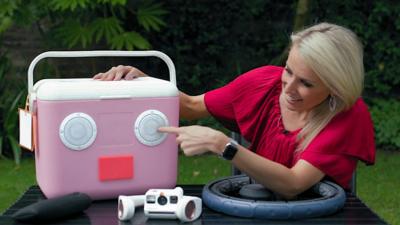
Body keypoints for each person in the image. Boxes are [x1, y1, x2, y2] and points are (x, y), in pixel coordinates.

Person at [93, 22, 375, 199]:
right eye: (288, 70)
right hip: (256, 206)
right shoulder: (263, 83)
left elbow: (293, 184)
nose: (288, 88)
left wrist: (221, 144)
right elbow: (191, 106)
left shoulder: (348, 114)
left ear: (335, 88)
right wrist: (145, 83)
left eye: (306, 83)